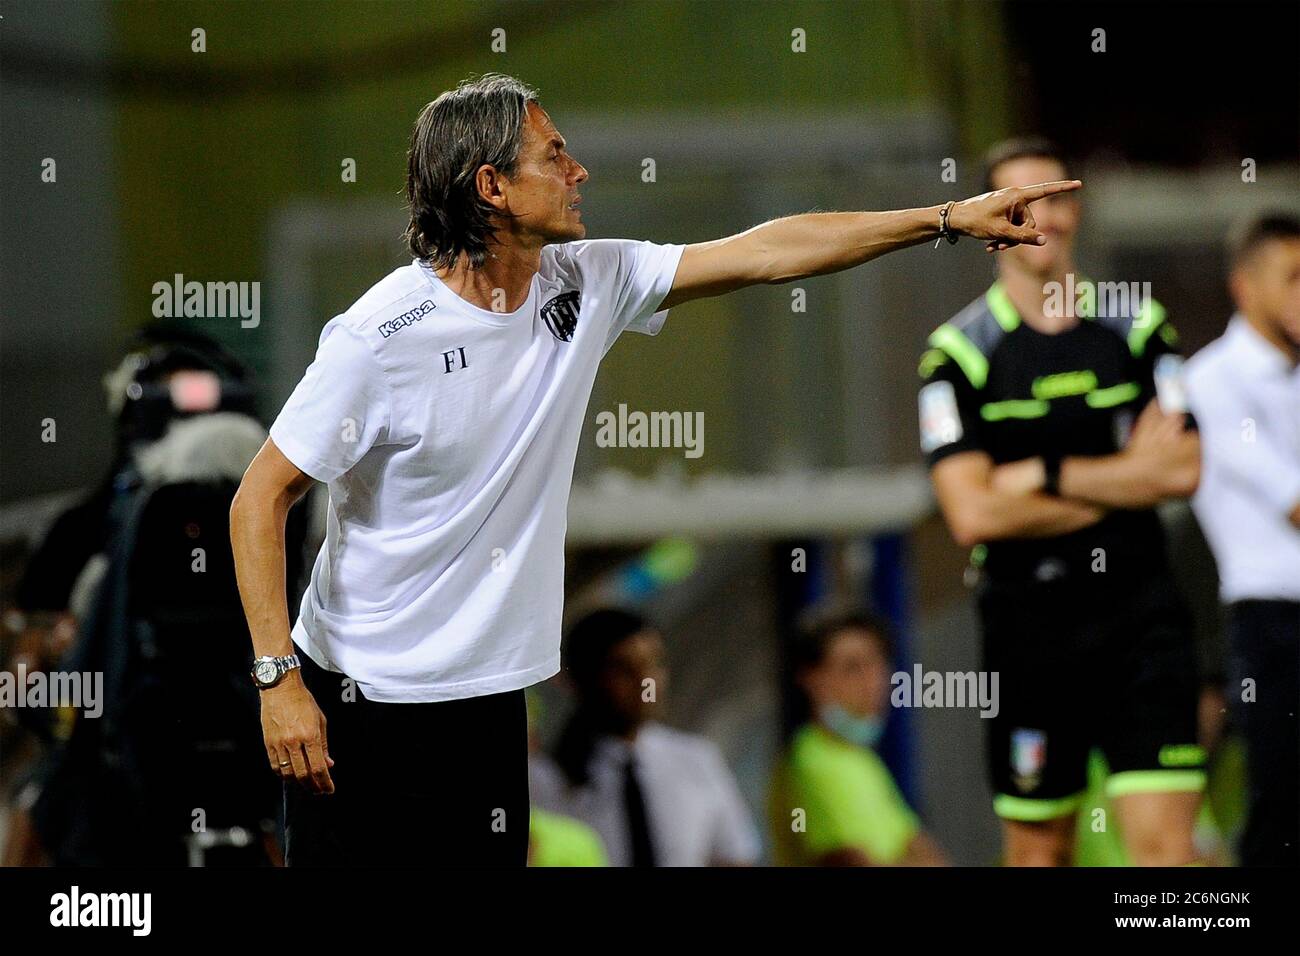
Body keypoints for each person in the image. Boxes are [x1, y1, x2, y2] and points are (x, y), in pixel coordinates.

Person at [229, 72, 1081, 866]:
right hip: (358, 707)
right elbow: (259, 499)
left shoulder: (589, 280)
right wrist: (277, 681)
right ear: (490, 187)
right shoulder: (380, 338)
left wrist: (943, 218)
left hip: (487, 709)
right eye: (553, 155)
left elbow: (770, 251)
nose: (579, 170)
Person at [917, 136, 1205, 866]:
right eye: (1016, 202)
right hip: (1030, 633)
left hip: (1143, 624)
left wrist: (1035, 475)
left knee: (1166, 853)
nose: (1037, 216)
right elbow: (972, 516)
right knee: (1040, 852)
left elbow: (1180, 471)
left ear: (1076, 207)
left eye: (1053, 196)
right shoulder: (957, 356)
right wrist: (1120, 475)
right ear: (986, 223)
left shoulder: (1138, 327)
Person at [1184, 211, 1300, 867]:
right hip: (1271, 627)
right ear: (1246, 287)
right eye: (1293, 278)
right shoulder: (1211, 382)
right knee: (1280, 810)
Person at [530, 608, 760, 866]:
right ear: (584, 679)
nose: (646, 681)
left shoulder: (696, 759)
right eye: (623, 668)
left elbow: (734, 856)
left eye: (654, 663)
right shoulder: (545, 779)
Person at [768, 609, 948, 866]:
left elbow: (928, 853)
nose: (872, 681)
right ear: (812, 679)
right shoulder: (810, 762)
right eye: (853, 668)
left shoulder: (863, 759)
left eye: (877, 664)